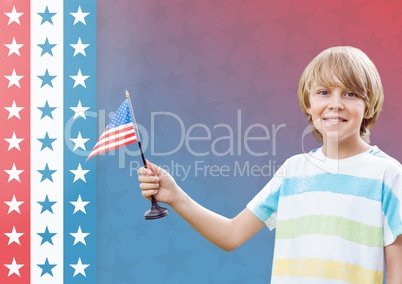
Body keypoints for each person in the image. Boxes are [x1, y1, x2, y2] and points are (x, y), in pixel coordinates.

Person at [138, 46, 402, 283]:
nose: (335, 104)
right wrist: (175, 196)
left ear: (368, 106)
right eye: (323, 92)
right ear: (309, 104)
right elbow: (231, 235)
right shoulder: (293, 171)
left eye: (350, 93)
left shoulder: (387, 175)